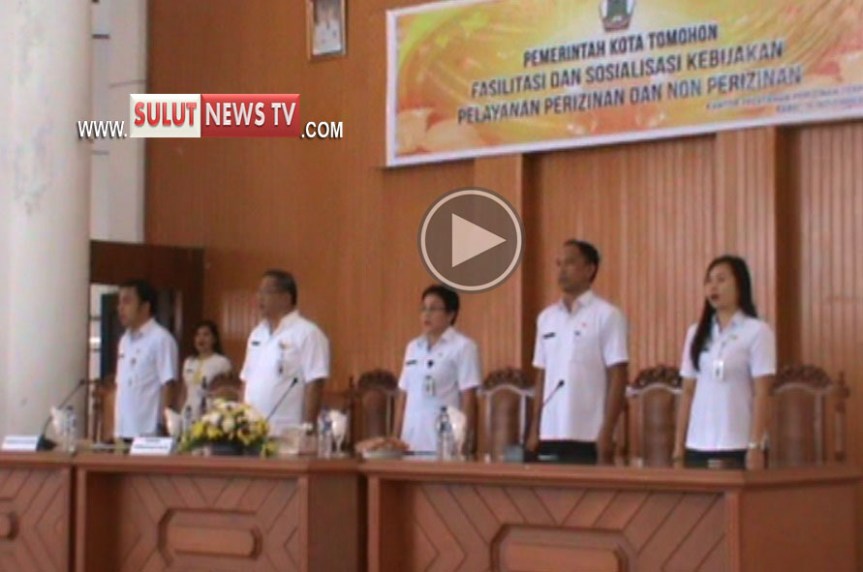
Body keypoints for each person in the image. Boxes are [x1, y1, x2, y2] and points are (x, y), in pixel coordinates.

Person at [526, 240, 629, 464]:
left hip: (589, 432)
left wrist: (607, 430)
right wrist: (535, 428)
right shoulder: (546, 318)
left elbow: (618, 375)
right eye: (559, 264)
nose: (562, 270)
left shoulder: (607, 315)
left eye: (570, 263)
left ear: (590, 269)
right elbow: (542, 375)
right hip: (551, 431)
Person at [673, 255, 776, 470]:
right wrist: (678, 447)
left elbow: (762, 392)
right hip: (698, 443)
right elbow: (688, 391)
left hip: (738, 443)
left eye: (721, 279)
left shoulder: (757, 331)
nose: (713, 287)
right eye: (709, 281)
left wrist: (755, 445)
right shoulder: (696, 333)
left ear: (740, 285)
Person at [392, 285, 481, 454]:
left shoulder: (463, 347)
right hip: (409, 442)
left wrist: (465, 442)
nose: (426, 314)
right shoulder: (413, 347)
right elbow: (403, 395)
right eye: (423, 308)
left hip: (444, 443)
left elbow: (468, 398)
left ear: (450, 314)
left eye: (433, 309)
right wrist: (395, 439)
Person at [240, 269, 330, 435]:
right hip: (252, 431)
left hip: (287, 431)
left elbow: (315, 382)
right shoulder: (256, 334)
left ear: (286, 298)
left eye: (266, 292)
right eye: (259, 292)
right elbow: (246, 379)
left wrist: (308, 429)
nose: (259, 297)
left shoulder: (307, 333)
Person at [114, 279, 179, 441]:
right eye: (119, 302)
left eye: (127, 301)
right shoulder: (124, 341)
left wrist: (163, 427)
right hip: (123, 429)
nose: (120, 308)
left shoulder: (161, 339)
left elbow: (168, 385)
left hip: (148, 433)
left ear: (145, 307)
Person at [181, 320, 232, 419]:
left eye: (206, 335)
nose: (201, 339)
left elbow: (228, 391)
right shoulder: (189, 362)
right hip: (188, 413)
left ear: (214, 339)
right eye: (198, 335)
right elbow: (184, 391)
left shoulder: (222, 362)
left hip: (210, 415)